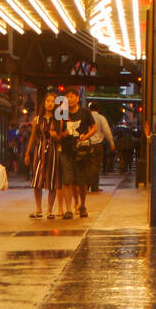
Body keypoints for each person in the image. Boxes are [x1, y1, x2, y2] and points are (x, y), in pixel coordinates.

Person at [24, 91, 63, 219]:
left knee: (52, 181)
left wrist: (55, 136)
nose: (50, 103)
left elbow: (61, 138)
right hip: (39, 151)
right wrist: (27, 153)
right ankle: (38, 209)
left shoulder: (58, 120)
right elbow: (33, 136)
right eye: (48, 101)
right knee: (37, 180)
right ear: (44, 103)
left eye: (52, 101)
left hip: (53, 152)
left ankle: (50, 210)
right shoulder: (37, 119)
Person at [60, 86, 97, 219]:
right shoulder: (62, 112)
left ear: (77, 98)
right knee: (67, 180)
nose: (69, 99)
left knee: (81, 181)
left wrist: (85, 136)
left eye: (72, 97)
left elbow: (94, 128)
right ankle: (68, 209)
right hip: (66, 150)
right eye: (67, 97)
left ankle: (82, 205)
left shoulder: (85, 111)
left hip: (81, 151)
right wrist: (62, 134)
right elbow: (58, 130)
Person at [87, 102, 114, 194]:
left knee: (86, 165)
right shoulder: (101, 118)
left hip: (86, 144)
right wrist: (111, 143)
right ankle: (94, 186)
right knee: (95, 166)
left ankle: (85, 186)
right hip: (97, 144)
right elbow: (107, 131)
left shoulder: (85, 117)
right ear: (98, 109)